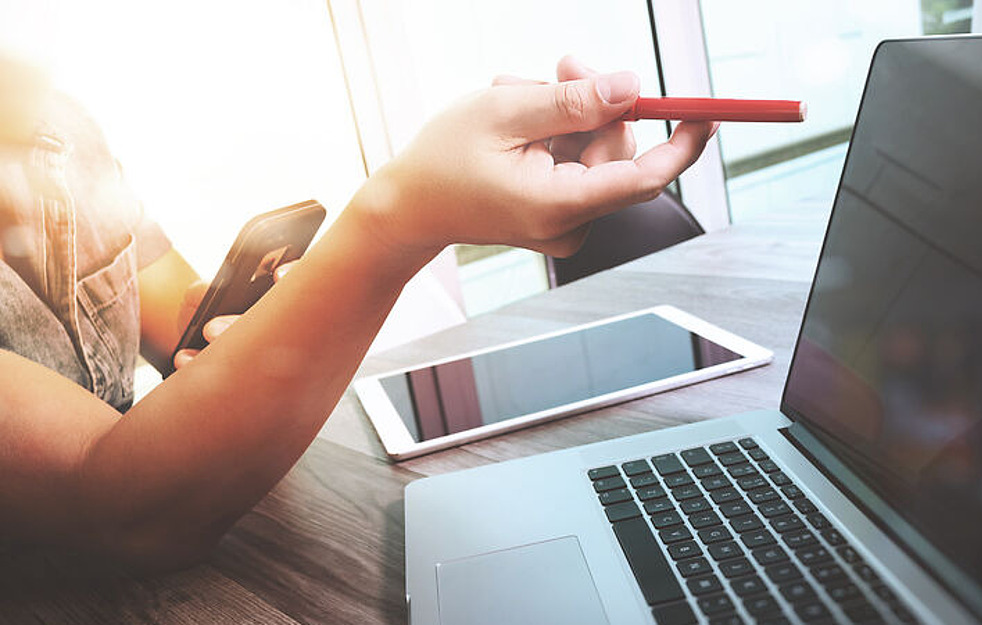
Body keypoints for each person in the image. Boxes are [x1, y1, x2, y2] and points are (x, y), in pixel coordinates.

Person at [0, 54, 716, 569]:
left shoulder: (61, 129)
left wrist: (260, 331)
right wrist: (396, 218)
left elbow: (184, 321)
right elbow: (121, 506)